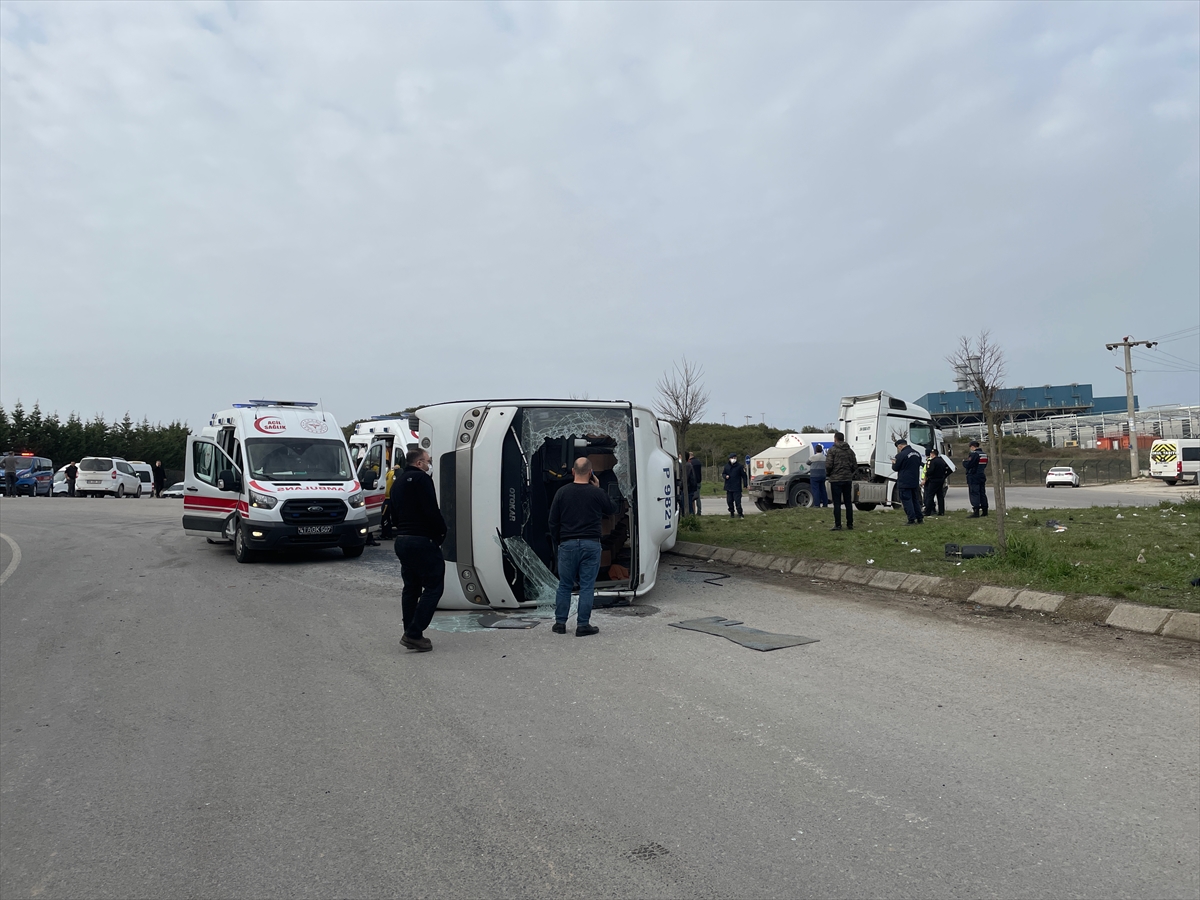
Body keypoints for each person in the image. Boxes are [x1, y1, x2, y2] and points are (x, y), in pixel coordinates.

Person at [548, 457, 617, 637]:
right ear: (590, 473)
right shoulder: (597, 493)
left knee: (565, 585)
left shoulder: (562, 492)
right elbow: (612, 509)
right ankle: (583, 625)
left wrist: (559, 541)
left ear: (572, 471)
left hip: (568, 544)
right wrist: (599, 488)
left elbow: (552, 521)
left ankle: (560, 623)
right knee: (587, 586)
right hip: (591, 544)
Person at [391, 448, 448, 652]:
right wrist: (441, 532)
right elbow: (431, 509)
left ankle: (410, 631)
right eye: (428, 461)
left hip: (403, 540)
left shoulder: (397, 482)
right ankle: (414, 633)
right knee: (434, 586)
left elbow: (393, 515)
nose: (429, 464)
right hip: (421, 539)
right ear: (419, 463)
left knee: (411, 587)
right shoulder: (422, 479)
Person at [826, 432, 858, 531]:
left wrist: (829, 474)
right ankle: (850, 524)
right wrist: (849, 474)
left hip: (836, 479)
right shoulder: (850, 451)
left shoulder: (832, 450)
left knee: (837, 503)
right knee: (848, 502)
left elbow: (828, 465)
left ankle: (838, 524)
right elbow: (854, 466)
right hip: (847, 479)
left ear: (835, 439)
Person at [891, 438, 924, 525]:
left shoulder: (900, 455)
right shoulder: (917, 453)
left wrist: (893, 463)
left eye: (898, 448)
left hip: (904, 481)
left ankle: (911, 519)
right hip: (914, 480)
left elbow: (896, 468)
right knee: (915, 500)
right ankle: (919, 518)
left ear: (900, 446)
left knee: (907, 500)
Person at [963, 440, 989, 518]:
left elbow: (969, 464)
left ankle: (976, 511)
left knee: (974, 493)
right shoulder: (984, 455)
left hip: (973, 476)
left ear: (972, 447)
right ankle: (985, 510)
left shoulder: (974, 454)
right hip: (981, 475)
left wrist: (964, 462)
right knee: (982, 493)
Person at [923, 448, 951, 517]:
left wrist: (927, 476)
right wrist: (944, 476)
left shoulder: (932, 461)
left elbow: (930, 471)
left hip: (933, 480)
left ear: (932, 454)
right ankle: (941, 511)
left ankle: (928, 512)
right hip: (941, 480)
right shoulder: (942, 461)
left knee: (930, 496)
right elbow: (949, 469)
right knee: (940, 496)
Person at [380, 462, 402, 539]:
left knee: (385, 516)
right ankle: (386, 533)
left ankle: (386, 534)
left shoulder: (391, 473)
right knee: (387, 517)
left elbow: (398, 474)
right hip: (386, 498)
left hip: (389, 498)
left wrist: (397, 467)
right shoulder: (386, 474)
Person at [722, 453, 747, 518]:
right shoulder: (726, 466)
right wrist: (725, 476)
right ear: (729, 459)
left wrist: (745, 485)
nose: (733, 459)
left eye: (735, 458)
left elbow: (744, 476)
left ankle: (740, 514)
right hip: (729, 486)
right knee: (729, 501)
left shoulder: (740, 466)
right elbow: (723, 473)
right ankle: (732, 512)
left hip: (736, 487)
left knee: (737, 502)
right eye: (732, 458)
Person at [808, 443, 829, 508]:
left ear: (815, 450)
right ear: (822, 450)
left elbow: (807, 462)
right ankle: (825, 504)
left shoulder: (812, 457)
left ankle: (817, 504)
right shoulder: (824, 457)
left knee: (815, 490)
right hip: (822, 475)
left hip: (814, 475)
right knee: (823, 489)